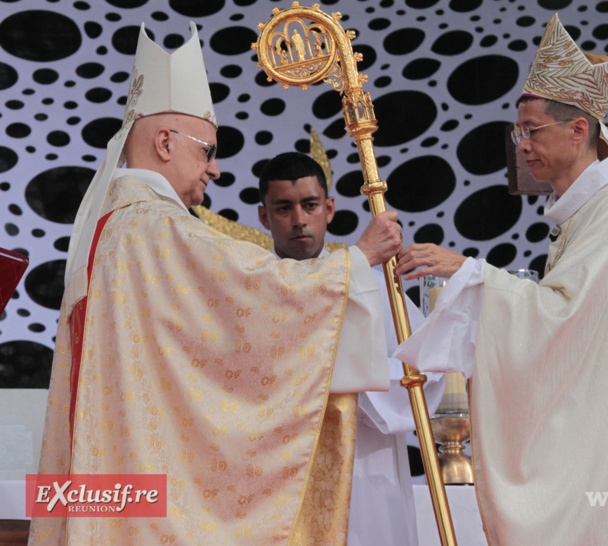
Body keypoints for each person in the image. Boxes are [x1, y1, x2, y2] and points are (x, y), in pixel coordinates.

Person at [28, 22, 403, 544]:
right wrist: (357, 261)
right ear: (164, 142)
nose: (215, 168)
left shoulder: (109, 229)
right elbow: (258, 293)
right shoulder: (153, 227)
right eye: (206, 150)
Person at [393, 13, 608, 545]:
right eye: (520, 132)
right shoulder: (588, 205)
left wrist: (469, 273)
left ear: (578, 130)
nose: (522, 145)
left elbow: (563, 313)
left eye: (531, 131)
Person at [256, 151, 445, 546]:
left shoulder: (374, 285)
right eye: (283, 208)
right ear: (264, 216)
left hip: (365, 468)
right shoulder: (253, 289)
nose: (299, 220)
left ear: (329, 209)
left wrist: (355, 380)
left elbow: (425, 369)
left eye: (310, 205)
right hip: (278, 475)